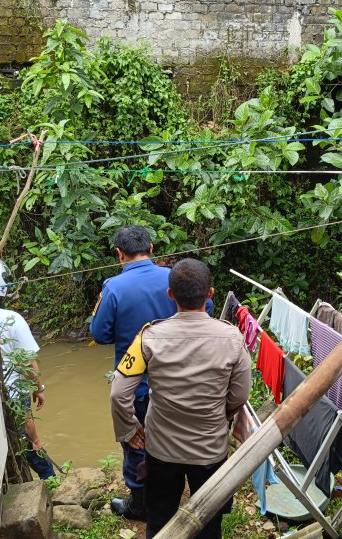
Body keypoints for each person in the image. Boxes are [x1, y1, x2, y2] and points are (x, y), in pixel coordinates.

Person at [111, 258, 251, 538]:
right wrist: (217, 416)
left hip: (161, 449)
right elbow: (240, 394)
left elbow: (118, 392)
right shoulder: (232, 338)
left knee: (159, 518)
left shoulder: (148, 337)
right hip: (210, 450)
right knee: (209, 523)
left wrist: (129, 429)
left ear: (170, 295)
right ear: (210, 294)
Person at [90, 226, 213, 519]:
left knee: (137, 442)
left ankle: (141, 504)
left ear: (119, 254)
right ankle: (195, 501)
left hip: (138, 385)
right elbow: (203, 311)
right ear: (152, 248)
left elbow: (100, 333)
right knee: (180, 435)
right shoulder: (177, 278)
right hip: (183, 378)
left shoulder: (114, 288)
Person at [0, 257, 55, 480]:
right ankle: (51, 482)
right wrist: (39, 388)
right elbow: (29, 363)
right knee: (30, 443)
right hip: (11, 397)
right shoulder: (12, 319)